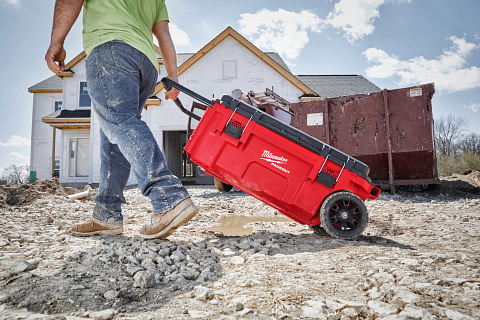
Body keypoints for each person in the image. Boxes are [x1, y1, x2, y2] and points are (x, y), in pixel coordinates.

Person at [45, 0, 198, 239]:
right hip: (146, 63)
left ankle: (168, 197)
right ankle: (107, 214)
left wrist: (57, 41)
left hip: (111, 48)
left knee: (121, 123)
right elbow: (164, 33)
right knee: (114, 136)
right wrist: (173, 74)